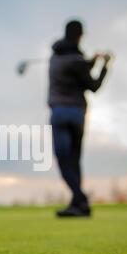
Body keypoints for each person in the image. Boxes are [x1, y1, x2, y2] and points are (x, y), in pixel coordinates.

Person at [48, 20, 111, 217]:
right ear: (80, 36)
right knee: (73, 160)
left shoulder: (55, 56)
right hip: (76, 114)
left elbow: (75, 67)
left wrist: (90, 61)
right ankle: (80, 203)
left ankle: (79, 202)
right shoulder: (77, 60)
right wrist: (104, 65)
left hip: (59, 112)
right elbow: (93, 86)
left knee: (64, 159)